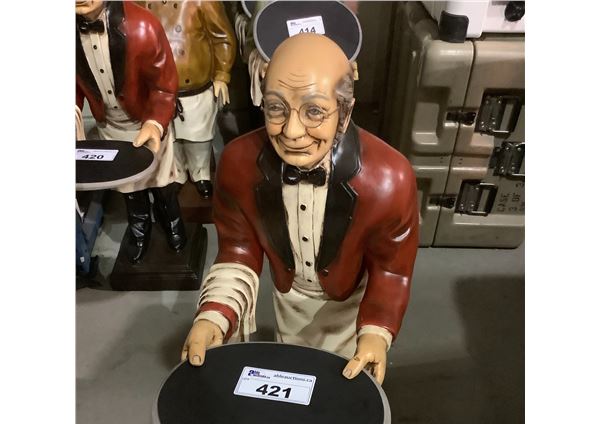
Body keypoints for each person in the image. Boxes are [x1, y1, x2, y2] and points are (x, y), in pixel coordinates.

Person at [181, 33, 418, 384]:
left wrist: (376, 332)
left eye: (314, 111)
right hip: (287, 299)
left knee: (341, 384)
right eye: (276, 108)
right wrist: (214, 314)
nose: (292, 131)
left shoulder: (390, 179)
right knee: (294, 371)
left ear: (345, 112)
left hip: (352, 307)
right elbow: (238, 250)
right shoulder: (238, 163)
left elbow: (391, 269)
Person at [76, 0, 184, 263]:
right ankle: (139, 227)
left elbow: (163, 84)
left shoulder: (144, 25)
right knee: (129, 187)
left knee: (161, 182)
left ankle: (172, 220)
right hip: (109, 127)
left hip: (146, 123)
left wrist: (155, 122)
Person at [140, 1, 236, 199]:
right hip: (158, 88)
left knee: (198, 137)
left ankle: (200, 173)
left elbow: (221, 37)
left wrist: (221, 75)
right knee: (169, 137)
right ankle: (178, 173)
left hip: (196, 87)